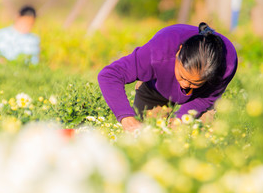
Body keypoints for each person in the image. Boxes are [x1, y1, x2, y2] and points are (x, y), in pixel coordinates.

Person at [98, 22, 238, 132]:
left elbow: (206, 98)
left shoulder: (227, 66)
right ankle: (147, 86)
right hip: (159, 85)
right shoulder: (158, 52)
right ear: (178, 53)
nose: (184, 85)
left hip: (199, 97)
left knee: (200, 135)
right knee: (143, 134)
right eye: (182, 77)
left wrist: (181, 120)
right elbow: (109, 75)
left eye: (194, 83)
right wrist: (126, 117)